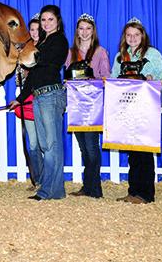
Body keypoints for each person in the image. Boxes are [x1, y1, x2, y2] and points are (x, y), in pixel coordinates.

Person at [9, 5, 68, 201]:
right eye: (43, 20)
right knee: (45, 144)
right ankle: (55, 190)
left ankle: (47, 191)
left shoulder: (59, 40)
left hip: (51, 95)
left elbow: (46, 64)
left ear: (57, 21)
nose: (46, 23)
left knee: (51, 145)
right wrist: (19, 99)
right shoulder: (42, 42)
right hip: (39, 95)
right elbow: (34, 75)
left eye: (50, 19)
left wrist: (26, 57)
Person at [112, 17, 162, 204]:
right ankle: (133, 191)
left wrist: (152, 77)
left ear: (142, 36)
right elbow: (114, 78)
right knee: (132, 152)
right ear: (124, 37)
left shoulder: (152, 54)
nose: (132, 38)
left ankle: (146, 194)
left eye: (136, 34)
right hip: (127, 108)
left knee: (144, 152)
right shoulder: (120, 56)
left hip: (146, 108)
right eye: (129, 35)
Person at [64, 13, 111, 198]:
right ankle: (87, 186)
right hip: (76, 105)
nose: (84, 32)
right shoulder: (70, 52)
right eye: (81, 28)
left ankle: (95, 188)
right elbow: (66, 75)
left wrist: (92, 80)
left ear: (93, 31)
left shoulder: (100, 52)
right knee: (83, 147)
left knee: (91, 147)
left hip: (93, 104)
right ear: (77, 31)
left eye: (88, 28)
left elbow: (106, 77)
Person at [13, 14, 43, 190]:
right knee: (32, 143)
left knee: (44, 142)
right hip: (28, 100)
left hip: (43, 97)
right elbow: (18, 81)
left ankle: (47, 179)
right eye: (32, 29)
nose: (35, 32)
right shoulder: (24, 53)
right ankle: (37, 179)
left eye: (37, 29)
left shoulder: (45, 49)